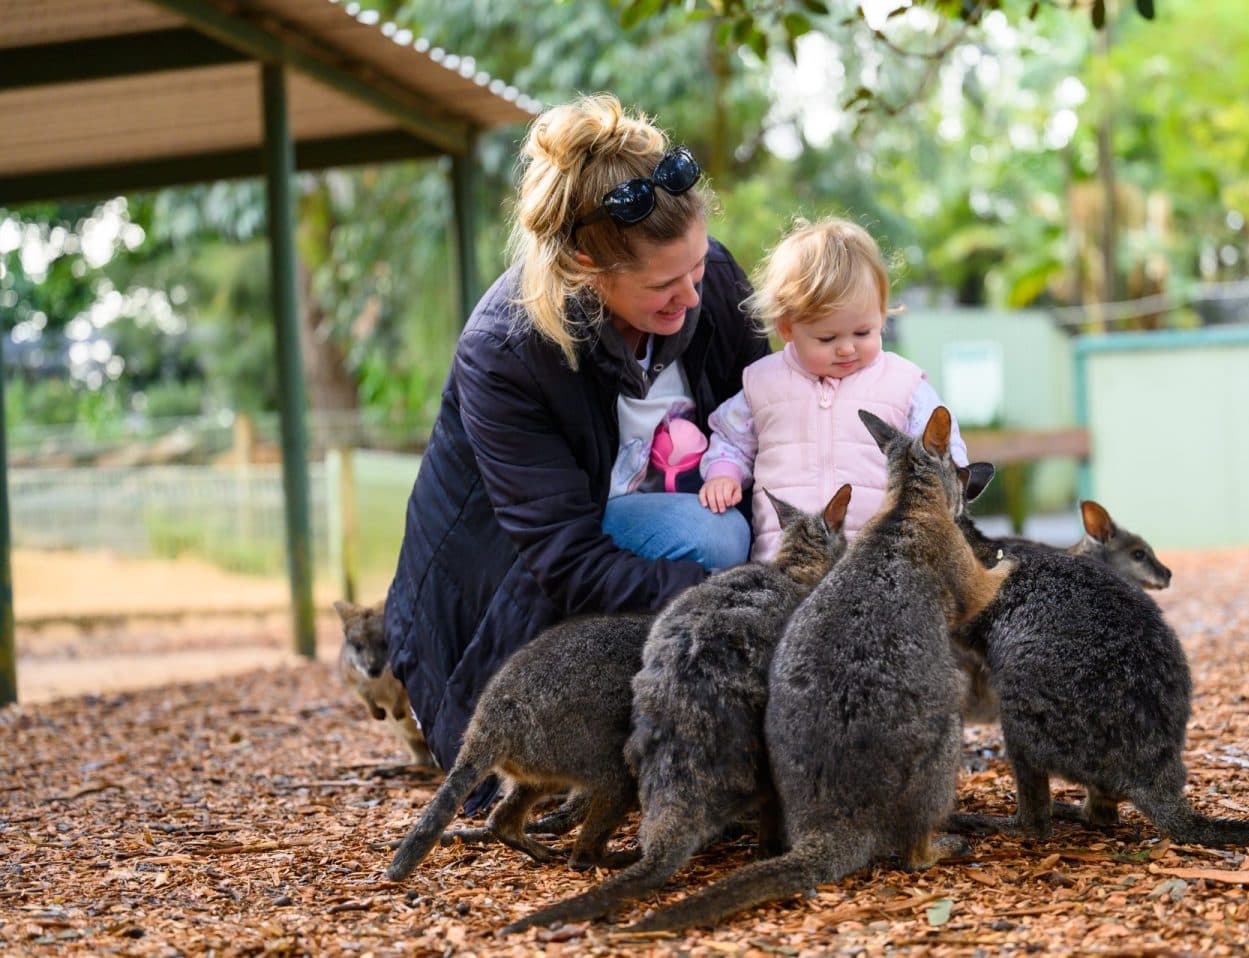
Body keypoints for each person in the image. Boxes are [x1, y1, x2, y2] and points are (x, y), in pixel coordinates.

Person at [385, 94, 771, 791]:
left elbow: (778, 422)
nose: (692, 294)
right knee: (714, 538)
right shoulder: (504, 350)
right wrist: (730, 598)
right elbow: (566, 558)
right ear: (588, 267)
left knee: (741, 529)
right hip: (508, 599)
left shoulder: (704, 277)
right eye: (663, 286)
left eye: (697, 269)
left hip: (647, 541)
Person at [699, 217, 968, 561]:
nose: (846, 349)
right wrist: (724, 473)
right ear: (787, 327)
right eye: (827, 338)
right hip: (788, 560)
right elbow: (730, 437)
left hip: (881, 561)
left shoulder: (902, 384)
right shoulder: (764, 383)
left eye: (863, 333)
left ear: (881, 314)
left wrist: (950, 485)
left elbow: (941, 446)